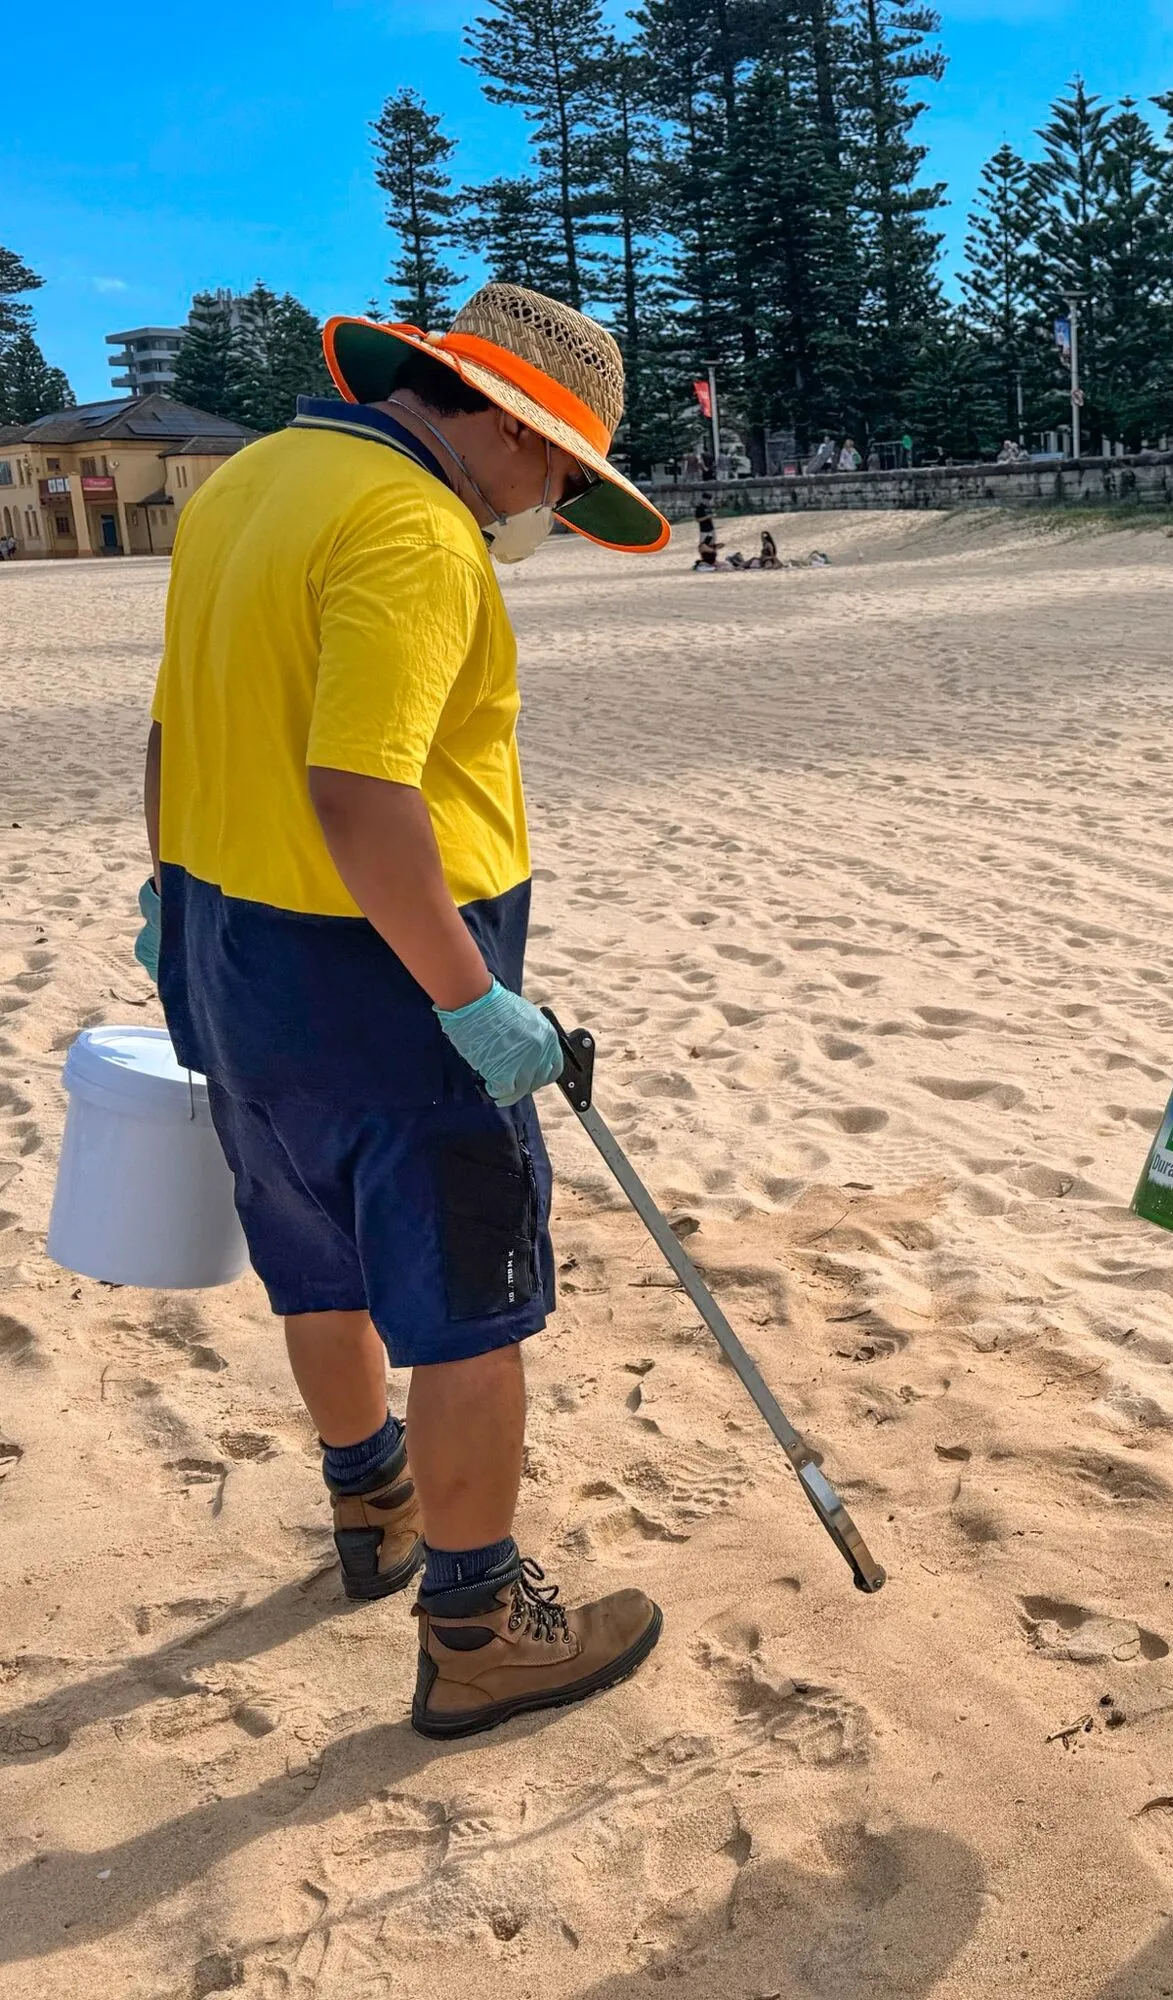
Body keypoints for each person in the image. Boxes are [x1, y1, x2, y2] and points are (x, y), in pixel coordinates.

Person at [140, 283, 674, 1740]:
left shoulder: (247, 481)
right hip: (389, 972)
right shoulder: (416, 530)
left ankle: (369, 1503)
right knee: (466, 1308)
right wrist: (475, 1001)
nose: (554, 505)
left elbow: (178, 721)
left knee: (313, 1256)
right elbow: (363, 794)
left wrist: (163, 891)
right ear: (500, 420)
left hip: (228, 943)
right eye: (560, 469)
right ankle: (481, 1624)